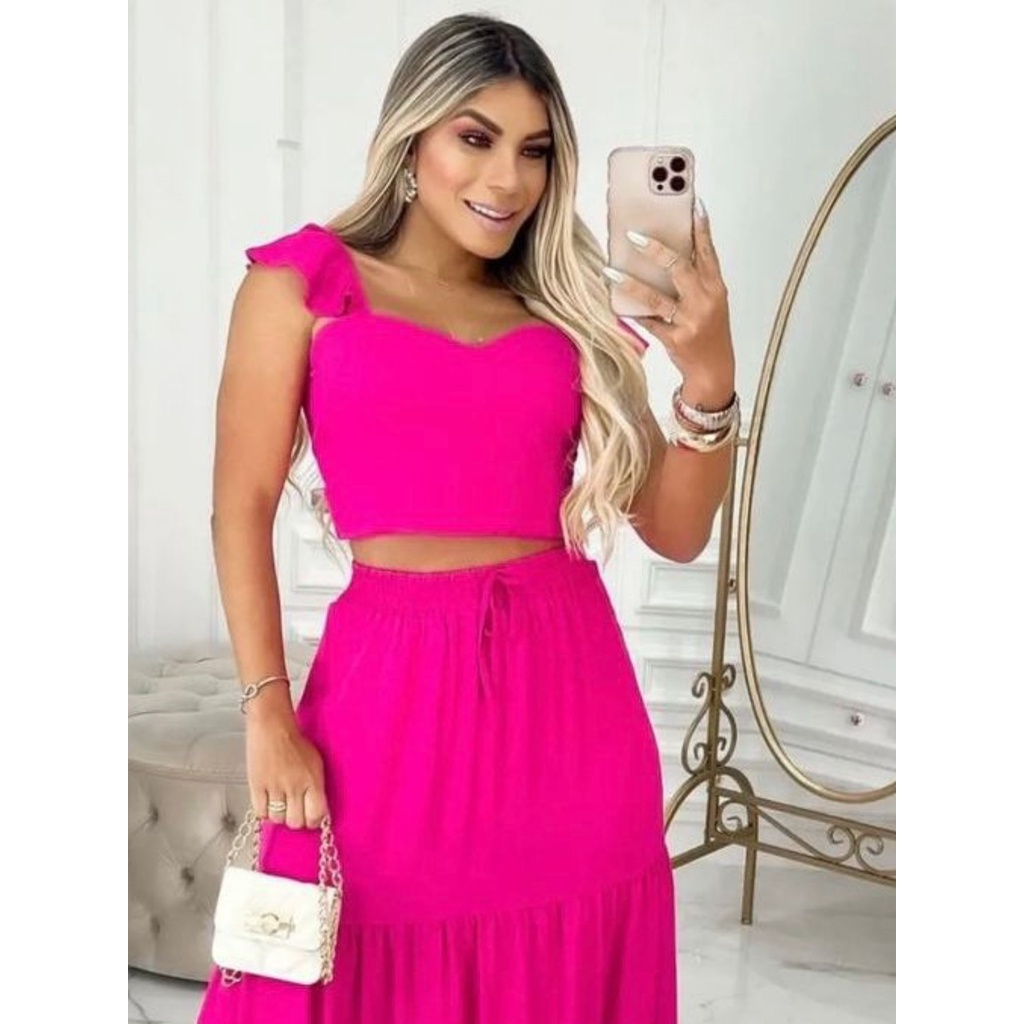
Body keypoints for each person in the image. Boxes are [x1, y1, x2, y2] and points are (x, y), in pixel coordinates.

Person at [197, 12, 736, 1024]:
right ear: (413, 138)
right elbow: (241, 504)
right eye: (475, 139)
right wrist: (266, 709)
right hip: (387, 693)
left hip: (568, 698)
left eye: (534, 151)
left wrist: (708, 379)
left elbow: (675, 528)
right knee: (354, 952)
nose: (507, 179)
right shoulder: (302, 284)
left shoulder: (561, 311)